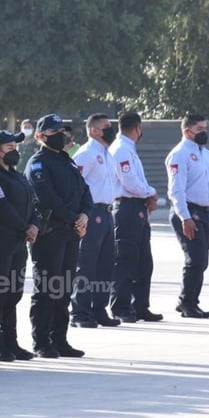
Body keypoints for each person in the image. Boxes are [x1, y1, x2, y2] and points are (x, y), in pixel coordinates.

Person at [25, 114, 91, 358]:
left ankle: (59, 339)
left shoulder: (67, 160)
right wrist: (74, 217)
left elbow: (85, 190)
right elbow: (47, 198)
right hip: (50, 233)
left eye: (62, 132)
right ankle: (41, 341)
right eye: (54, 133)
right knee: (47, 289)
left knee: (63, 288)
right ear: (40, 137)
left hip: (71, 232)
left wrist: (84, 214)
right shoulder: (38, 163)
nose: (61, 136)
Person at [165, 114, 209, 319]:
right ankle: (186, 302)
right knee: (195, 259)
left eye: (205, 128)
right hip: (187, 211)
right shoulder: (179, 154)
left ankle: (191, 300)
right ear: (187, 131)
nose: (204, 132)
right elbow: (175, 190)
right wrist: (184, 217)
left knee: (202, 260)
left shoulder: (206, 154)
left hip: (203, 211)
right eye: (200, 129)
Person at [0, 130, 38, 361]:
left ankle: (11, 340)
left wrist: (34, 225)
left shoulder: (17, 176)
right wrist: (26, 227)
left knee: (13, 293)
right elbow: (2, 207)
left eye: (15, 146)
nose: (14, 151)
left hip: (18, 242)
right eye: (8, 147)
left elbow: (32, 203)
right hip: (0, 242)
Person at [109, 111, 162, 323]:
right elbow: (130, 182)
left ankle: (140, 306)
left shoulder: (129, 149)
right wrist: (151, 192)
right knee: (126, 260)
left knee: (143, 262)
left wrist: (147, 194)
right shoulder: (121, 149)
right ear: (137, 127)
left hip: (138, 208)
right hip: (126, 208)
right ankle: (121, 306)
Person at [70, 114, 121, 328]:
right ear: (93, 130)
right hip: (92, 213)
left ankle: (99, 309)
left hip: (107, 212)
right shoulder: (86, 154)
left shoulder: (107, 154)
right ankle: (80, 312)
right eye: (105, 127)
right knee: (87, 264)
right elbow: (76, 186)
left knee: (105, 264)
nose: (110, 130)